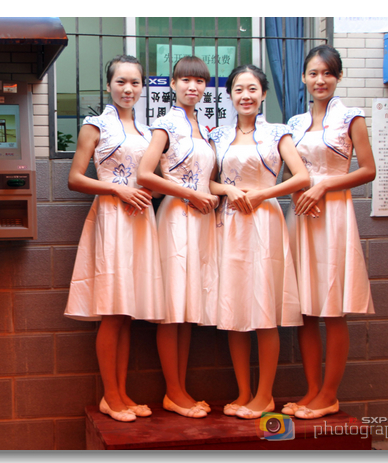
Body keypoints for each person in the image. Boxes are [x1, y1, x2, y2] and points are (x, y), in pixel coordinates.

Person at [63, 55, 166, 422]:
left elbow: (155, 179)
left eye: (135, 82)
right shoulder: (95, 125)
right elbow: (75, 178)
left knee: (126, 314)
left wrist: (151, 191)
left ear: (143, 87)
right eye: (121, 81)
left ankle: (121, 394)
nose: (128, 89)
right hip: (111, 218)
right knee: (112, 311)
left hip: (141, 220)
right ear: (109, 85)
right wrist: (117, 189)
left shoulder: (148, 131)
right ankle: (110, 395)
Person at [208, 64, 310, 419]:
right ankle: (243, 392)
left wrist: (265, 193)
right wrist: (229, 190)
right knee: (234, 308)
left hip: (265, 222)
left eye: (252, 89)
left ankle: (265, 395)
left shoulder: (278, 133)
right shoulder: (219, 135)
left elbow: (302, 177)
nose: (246, 96)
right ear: (230, 95)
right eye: (238, 89)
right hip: (231, 224)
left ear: (264, 94)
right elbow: (208, 182)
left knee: (265, 310)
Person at [282, 45, 376, 420]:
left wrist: (322, 186)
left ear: (337, 77)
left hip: (334, 215)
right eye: (313, 73)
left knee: (333, 310)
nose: (320, 80)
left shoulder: (352, 117)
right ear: (303, 77)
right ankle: (311, 391)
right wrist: (299, 190)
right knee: (305, 309)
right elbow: (288, 172)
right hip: (301, 215)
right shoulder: (294, 124)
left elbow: (367, 170)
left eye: (327, 73)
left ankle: (329, 394)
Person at [137, 55, 219, 419]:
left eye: (199, 81)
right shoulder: (166, 124)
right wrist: (190, 194)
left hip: (201, 220)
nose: (192, 86)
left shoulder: (204, 126)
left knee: (188, 310)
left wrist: (218, 193)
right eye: (185, 80)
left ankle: (180, 390)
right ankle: (173, 391)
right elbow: (144, 174)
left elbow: (208, 180)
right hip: (175, 218)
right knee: (173, 309)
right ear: (172, 84)